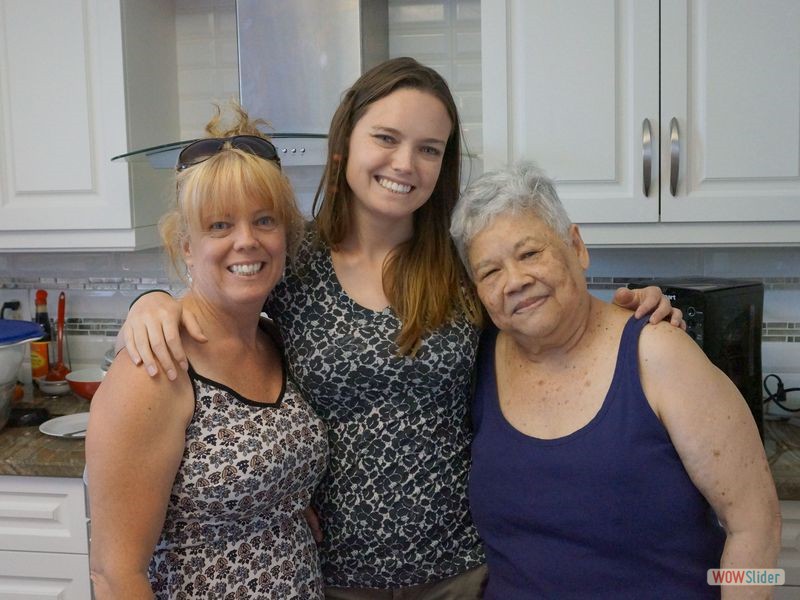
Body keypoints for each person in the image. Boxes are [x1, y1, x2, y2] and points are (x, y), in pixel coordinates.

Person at [116, 58, 681, 598]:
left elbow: (551, 317)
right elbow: (220, 307)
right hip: (325, 573)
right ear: (343, 148)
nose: (405, 164)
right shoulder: (291, 260)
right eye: (386, 138)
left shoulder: (462, 264)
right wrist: (152, 303)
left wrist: (632, 318)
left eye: (428, 149)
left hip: (461, 570)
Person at [450, 163, 781, 599]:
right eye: (490, 272)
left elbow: (757, 525)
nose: (515, 281)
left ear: (576, 247)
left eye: (530, 253)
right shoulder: (474, 360)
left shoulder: (659, 354)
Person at [86, 105, 329, 599]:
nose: (247, 241)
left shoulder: (274, 340)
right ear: (187, 246)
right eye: (220, 226)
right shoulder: (157, 366)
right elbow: (115, 574)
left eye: (264, 220)